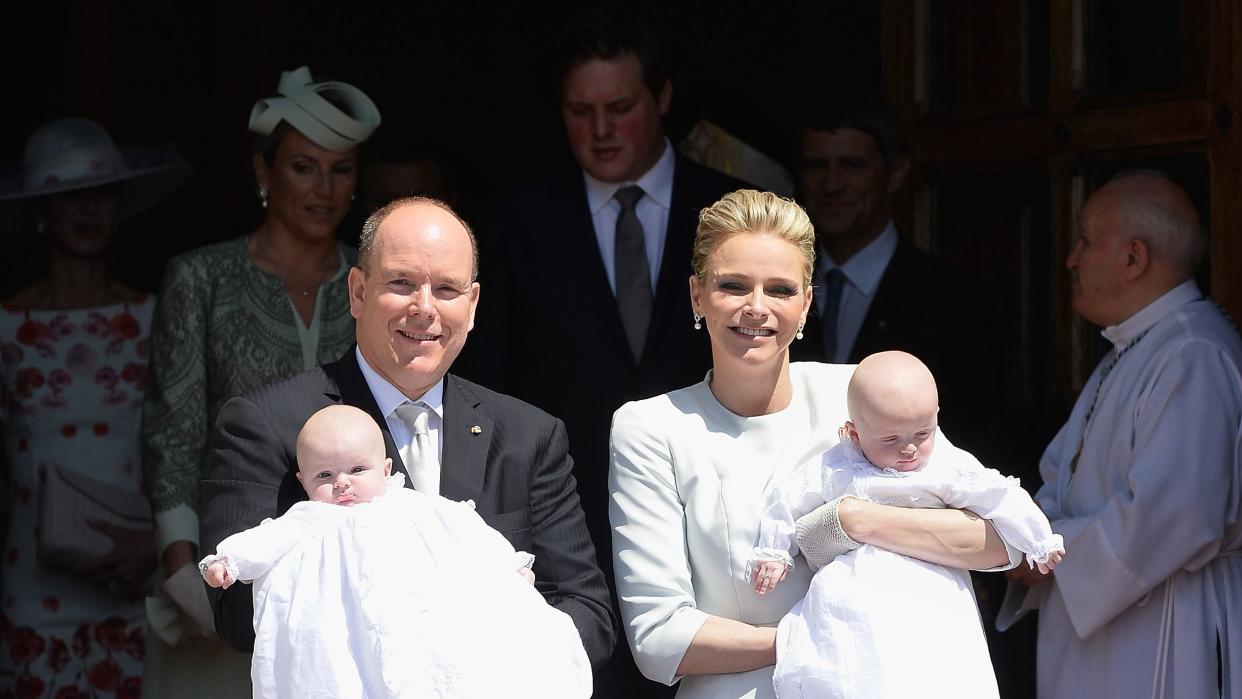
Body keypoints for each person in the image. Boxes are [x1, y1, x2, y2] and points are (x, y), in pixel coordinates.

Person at [609, 189, 1020, 699]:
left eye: (779, 290)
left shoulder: (859, 392)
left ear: (806, 304)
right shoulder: (650, 427)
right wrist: (828, 639)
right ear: (697, 295)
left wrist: (853, 520)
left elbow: (998, 539)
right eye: (733, 285)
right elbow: (659, 636)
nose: (756, 308)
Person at [454, 13, 746, 693]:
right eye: (580, 111)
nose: (602, 129)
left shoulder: (735, 212)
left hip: (719, 537)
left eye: (620, 108)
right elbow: (487, 392)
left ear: (663, 97)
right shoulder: (515, 228)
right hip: (570, 546)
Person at [199, 196, 615, 672]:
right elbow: (234, 615)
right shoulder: (265, 424)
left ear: (473, 304)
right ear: (357, 292)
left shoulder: (530, 435)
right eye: (402, 283)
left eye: (447, 289)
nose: (424, 309)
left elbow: (588, 613)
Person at [141, 65, 380, 695]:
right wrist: (181, 567)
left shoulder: (377, 284)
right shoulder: (202, 279)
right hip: (221, 571)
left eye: (341, 169)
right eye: (304, 166)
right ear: (263, 171)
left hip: (352, 578)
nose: (324, 188)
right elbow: (174, 429)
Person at [998, 171, 1242, 698]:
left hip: (1167, 625)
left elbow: (1180, 512)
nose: (1072, 258)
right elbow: (1063, 475)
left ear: (1134, 257)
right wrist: (1023, 532)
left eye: (1085, 240)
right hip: (1108, 619)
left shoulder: (1193, 352)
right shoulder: (1138, 347)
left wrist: (1049, 550)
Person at [199, 404, 590, 699]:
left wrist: (509, 565)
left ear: (385, 469)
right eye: (324, 476)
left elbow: (467, 530)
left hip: (412, 624)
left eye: (357, 470)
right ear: (302, 481)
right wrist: (227, 561)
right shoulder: (307, 519)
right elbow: (265, 540)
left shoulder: (412, 505)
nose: (342, 485)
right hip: (343, 634)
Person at [0, 116, 189, 697]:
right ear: (39, 212)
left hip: (137, 581)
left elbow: (185, 445)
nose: (87, 209)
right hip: (32, 590)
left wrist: (159, 548)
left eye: (100, 193)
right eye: (67, 196)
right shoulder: (6, 326)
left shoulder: (156, 317)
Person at [749, 351, 1063, 698]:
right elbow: (790, 498)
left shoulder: (944, 464)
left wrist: (1039, 540)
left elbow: (999, 493)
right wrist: (775, 550)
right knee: (851, 668)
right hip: (855, 594)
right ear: (854, 434)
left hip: (932, 593)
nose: (909, 449)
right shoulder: (839, 465)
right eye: (891, 440)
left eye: (922, 433)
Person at [787, 88, 998, 460]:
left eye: (853, 165)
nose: (832, 185)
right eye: (816, 165)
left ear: (895, 172)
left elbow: (976, 436)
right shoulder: (776, 288)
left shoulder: (953, 300)